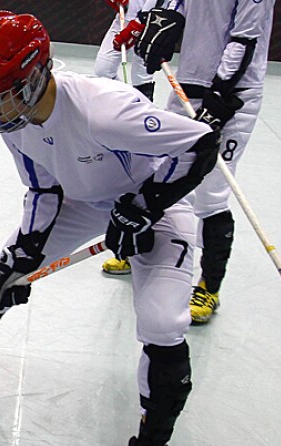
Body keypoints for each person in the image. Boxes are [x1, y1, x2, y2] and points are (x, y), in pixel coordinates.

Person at [0, 12, 232, 446]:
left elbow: (199, 144)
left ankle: (153, 439)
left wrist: (144, 207)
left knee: (161, 323)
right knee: (11, 264)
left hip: (156, 202)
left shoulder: (104, 112)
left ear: (33, 78)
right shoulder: (14, 117)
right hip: (83, 201)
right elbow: (42, 186)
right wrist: (25, 254)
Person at [122, 0, 273, 324]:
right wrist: (158, 23)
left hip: (234, 95)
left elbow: (245, 38)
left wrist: (218, 98)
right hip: (187, 85)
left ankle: (209, 286)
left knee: (210, 193)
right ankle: (141, 245)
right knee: (161, 171)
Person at [95, 0, 159, 277]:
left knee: (141, 75)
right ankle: (115, 117)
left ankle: (140, 124)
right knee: (102, 69)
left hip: (150, 22)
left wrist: (142, 20)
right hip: (124, 17)